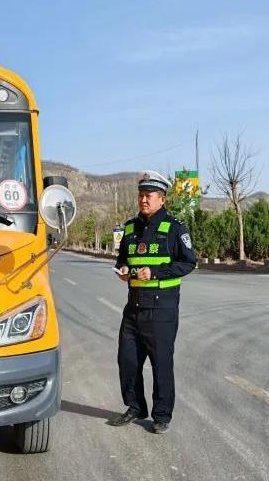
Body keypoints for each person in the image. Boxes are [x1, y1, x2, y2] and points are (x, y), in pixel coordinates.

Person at [109, 170, 196, 434]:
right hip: (133, 308)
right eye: (141, 195)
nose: (143, 200)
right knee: (127, 362)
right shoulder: (129, 228)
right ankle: (135, 407)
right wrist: (123, 270)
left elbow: (188, 263)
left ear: (162, 199)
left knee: (161, 365)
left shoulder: (175, 227)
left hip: (161, 311)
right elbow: (122, 260)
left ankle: (162, 416)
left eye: (149, 195)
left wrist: (156, 272)